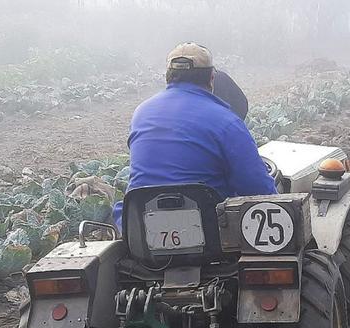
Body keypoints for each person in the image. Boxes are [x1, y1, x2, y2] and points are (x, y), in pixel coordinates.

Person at [112, 42, 277, 230]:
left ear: (168, 77)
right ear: (212, 78)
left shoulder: (141, 113)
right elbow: (258, 188)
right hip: (210, 238)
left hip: (139, 232)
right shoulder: (226, 121)